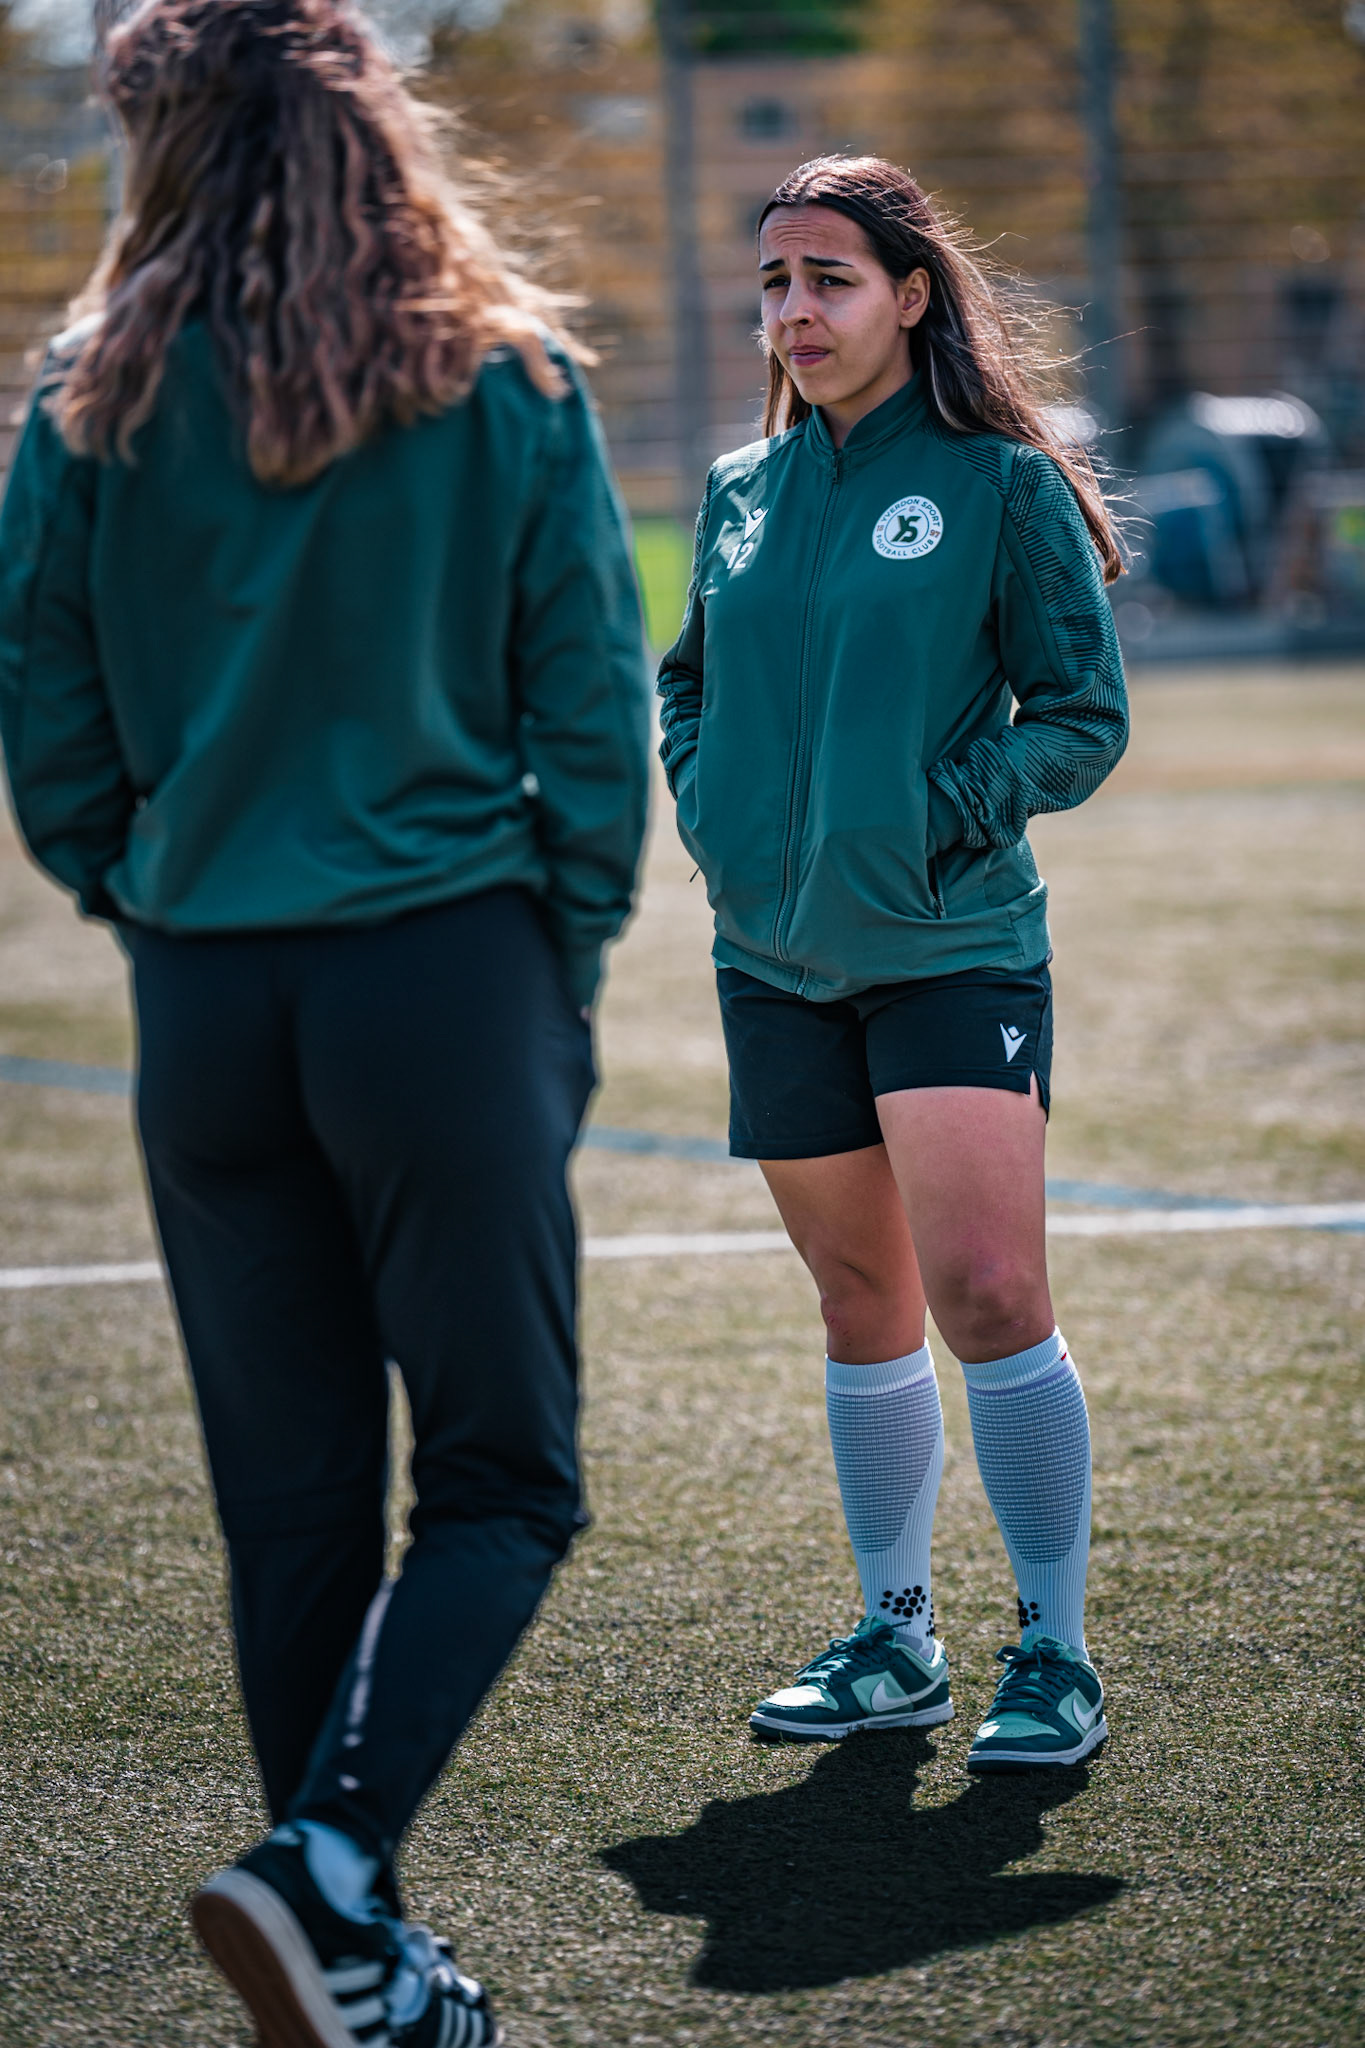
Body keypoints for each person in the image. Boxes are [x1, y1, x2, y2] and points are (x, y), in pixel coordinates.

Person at [0, 1, 650, 2040]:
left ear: (158, 143)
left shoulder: (83, 399)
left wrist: (156, 891)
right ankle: (328, 1869)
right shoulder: (503, 374)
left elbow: (53, 736)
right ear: (381, 134)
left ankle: (348, 1960)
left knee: (293, 1519)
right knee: (503, 1479)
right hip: (443, 980)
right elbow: (586, 718)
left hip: (202, 1002)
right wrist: (559, 961)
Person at [658, 156, 1128, 1772]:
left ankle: (1053, 1654)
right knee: (859, 1301)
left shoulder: (997, 485)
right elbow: (687, 684)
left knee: (987, 1294)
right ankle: (892, 1638)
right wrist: (711, 813)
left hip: (947, 947)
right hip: (770, 958)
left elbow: (1080, 713)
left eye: (829, 280)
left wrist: (947, 813)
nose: (794, 311)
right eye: (775, 284)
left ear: (909, 296)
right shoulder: (738, 491)